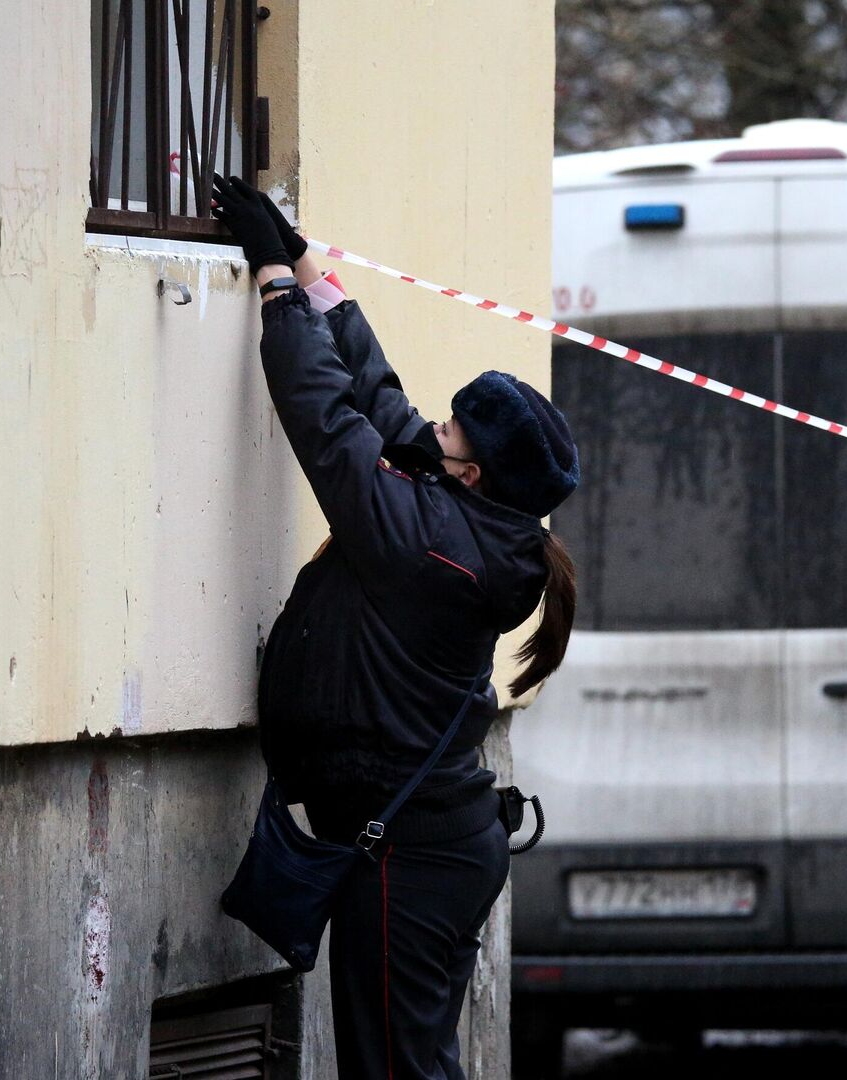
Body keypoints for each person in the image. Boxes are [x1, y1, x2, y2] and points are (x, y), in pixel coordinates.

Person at [211, 175, 579, 1079]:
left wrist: (275, 291)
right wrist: (308, 268)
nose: (435, 427)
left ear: (476, 473)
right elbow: (381, 402)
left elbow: (332, 425)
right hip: (427, 842)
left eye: (455, 428)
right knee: (406, 1064)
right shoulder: (465, 523)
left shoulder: (432, 545)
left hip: (410, 857)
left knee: (394, 1071)